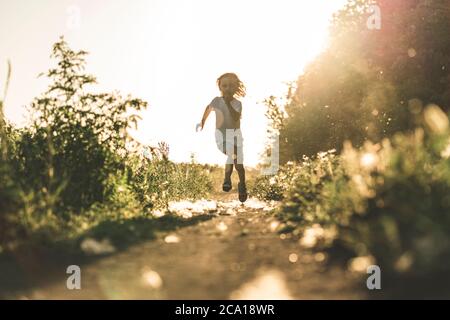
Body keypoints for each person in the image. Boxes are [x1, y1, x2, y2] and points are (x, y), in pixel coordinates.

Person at [197, 72, 248, 202]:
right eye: (224, 86)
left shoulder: (237, 104)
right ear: (220, 87)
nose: (227, 88)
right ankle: (227, 179)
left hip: (236, 136)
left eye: (231, 86)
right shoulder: (216, 101)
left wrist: (228, 104)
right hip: (221, 136)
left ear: (236, 87)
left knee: (239, 165)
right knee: (232, 153)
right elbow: (208, 108)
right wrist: (202, 121)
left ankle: (242, 185)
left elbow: (236, 117)